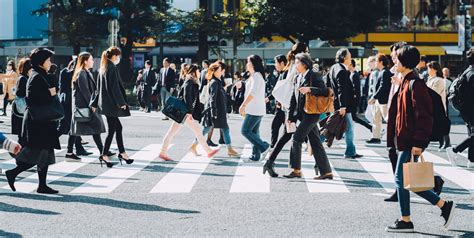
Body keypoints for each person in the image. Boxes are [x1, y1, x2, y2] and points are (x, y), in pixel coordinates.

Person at [385, 45, 455, 233]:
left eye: (397, 60)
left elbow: (424, 116)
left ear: (405, 62)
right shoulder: (406, 82)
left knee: (402, 180)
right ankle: (441, 206)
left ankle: (407, 219)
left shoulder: (415, 84)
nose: (395, 62)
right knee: (407, 180)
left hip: (410, 140)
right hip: (405, 139)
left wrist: (419, 142)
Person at [6, 48, 61, 194]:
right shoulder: (36, 76)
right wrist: (51, 92)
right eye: (48, 60)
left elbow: (52, 90)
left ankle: (41, 185)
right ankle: (13, 173)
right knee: (39, 153)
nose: (50, 62)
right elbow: (32, 99)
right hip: (38, 122)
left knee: (45, 153)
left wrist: (52, 85)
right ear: (41, 62)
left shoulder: (41, 75)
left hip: (42, 120)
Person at [283, 53, 332, 179]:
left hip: (312, 113)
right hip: (302, 114)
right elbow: (293, 98)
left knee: (297, 138)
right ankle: (326, 172)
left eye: (297, 63)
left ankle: (296, 170)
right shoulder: (297, 77)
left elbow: (325, 91)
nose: (295, 65)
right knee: (315, 142)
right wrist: (290, 116)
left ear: (304, 64)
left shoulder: (314, 75)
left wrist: (310, 89)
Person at [262, 43, 308, 177]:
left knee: (289, 136)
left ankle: (272, 163)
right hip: (295, 107)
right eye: (307, 50)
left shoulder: (292, 64)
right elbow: (294, 86)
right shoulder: (297, 65)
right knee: (291, 136)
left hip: (292, 107)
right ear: (303, 51)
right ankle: (310, 167)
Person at [158, 64, 220, 161]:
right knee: (198, 132)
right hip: (185, 112)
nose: (199, 73)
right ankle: (208, 151)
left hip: (183, 111)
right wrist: (189, 112)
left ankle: (163, 152)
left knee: (171, 132)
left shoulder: (191, 80)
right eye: (198, 71)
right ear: (194, 71)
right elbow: (187, 96)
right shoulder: (189, 80)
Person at [91, 46, 133, 168]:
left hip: (106, 104)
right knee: (113, 130)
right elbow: (114, 88)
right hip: (112, 105)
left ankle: (122, 153)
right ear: (114, 56)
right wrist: (121, 103)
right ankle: (105, 154)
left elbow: (97, 89)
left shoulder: (103, 68)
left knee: (117, 128)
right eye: (118, 56)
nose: (119, 58)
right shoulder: (112, 68)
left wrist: (95, 103)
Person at [193, 61, 240, 157]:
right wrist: (213, 111)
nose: (222, 71)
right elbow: (212, 98)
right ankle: (194, 146)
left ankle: (229, 149)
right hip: (215, 111)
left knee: (221, 129)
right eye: (220, 70)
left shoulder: (217, 82)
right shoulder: (214, 82)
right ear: (214, 72)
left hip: (218, 111)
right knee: (208, 129)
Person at [70, 52, 108, 165]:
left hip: (85, 106)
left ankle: (102, 151)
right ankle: (102, 151)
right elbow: (85, 91)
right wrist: (92, 104)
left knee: (76, 130)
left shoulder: (85, 72)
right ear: (85, 61)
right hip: (84, 106)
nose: (92, 61)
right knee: (79, 129)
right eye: (91, 59)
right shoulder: (81, 73)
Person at [327, 48, 362, 159]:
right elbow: (342, 90)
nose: (351, 58)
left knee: (336, 125)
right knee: (347, 127)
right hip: (344, 105)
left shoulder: (333, 68)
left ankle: (350, 151)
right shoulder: (342, 71)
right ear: (344, 58)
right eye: (350, 56)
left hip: (337, 103)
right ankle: (350, 152)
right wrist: (343, 106)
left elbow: (328, 84)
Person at [447, 47, 474, 167]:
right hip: (471, 108)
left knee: (471, 134)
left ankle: (471, 160)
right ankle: (455, 150)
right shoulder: (472, 74)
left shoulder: (467, 71)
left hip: (466, 109)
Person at [239, 55, 270, 161]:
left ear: (252, 64)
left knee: (245, 131)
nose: (246, 64)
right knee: (254, 133)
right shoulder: (254, 76)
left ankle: (264, 146)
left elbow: (253, 93)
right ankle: (255, 155)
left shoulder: (257, 76)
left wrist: (243, 105)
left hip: (255, 109)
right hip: (255, 109)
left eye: (248, 62)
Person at [367, 53, 392, 144]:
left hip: (384, 100)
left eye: (376, 61)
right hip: (380, 100)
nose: (375, 63)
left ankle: (394, 136)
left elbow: (383, 87)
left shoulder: (385, 72)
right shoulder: (382, 72)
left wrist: (374, 97)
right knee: (375, 118)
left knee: (388, 119)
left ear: (381, 62)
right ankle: (376, 137)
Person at [426, 61, 450, 150]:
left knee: (441, 123)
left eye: (429, 68)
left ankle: (445, 142)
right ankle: (443, 142)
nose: (427, 70)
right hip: (431, 106)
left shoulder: (439, 80)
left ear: (434, 69)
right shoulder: (429, 79)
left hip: (437, 106)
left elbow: (433, 93)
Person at [267, 54, 288, 148]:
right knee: (277, 126)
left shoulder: (286, 74)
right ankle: (273, 145)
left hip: (285, 106)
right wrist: (269, 98)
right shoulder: (282, 74)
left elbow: (283, 90)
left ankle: (273, 146)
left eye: (276, 63)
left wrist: (269, 98)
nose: (275, 65)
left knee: (288, 129)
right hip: (281, 106)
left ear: (282, 63)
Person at [11, 58, 31, 145]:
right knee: (22, 136)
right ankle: (20, 155)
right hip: (21, 111)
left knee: (23, 136)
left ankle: (20, 155)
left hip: (21, 111)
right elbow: (19, 93)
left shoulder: (25, 78)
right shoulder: (23, 79)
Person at [348, 59, 372, 132]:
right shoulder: (352, 74)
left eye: (348, 65)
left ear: (351, 65)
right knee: (353, 117)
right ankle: (370, 127)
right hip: (353, 100)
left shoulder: (354, 75)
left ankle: (370, 127)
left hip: (353, 100)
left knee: (353, 117)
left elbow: (357, 90)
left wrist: (356, 102)